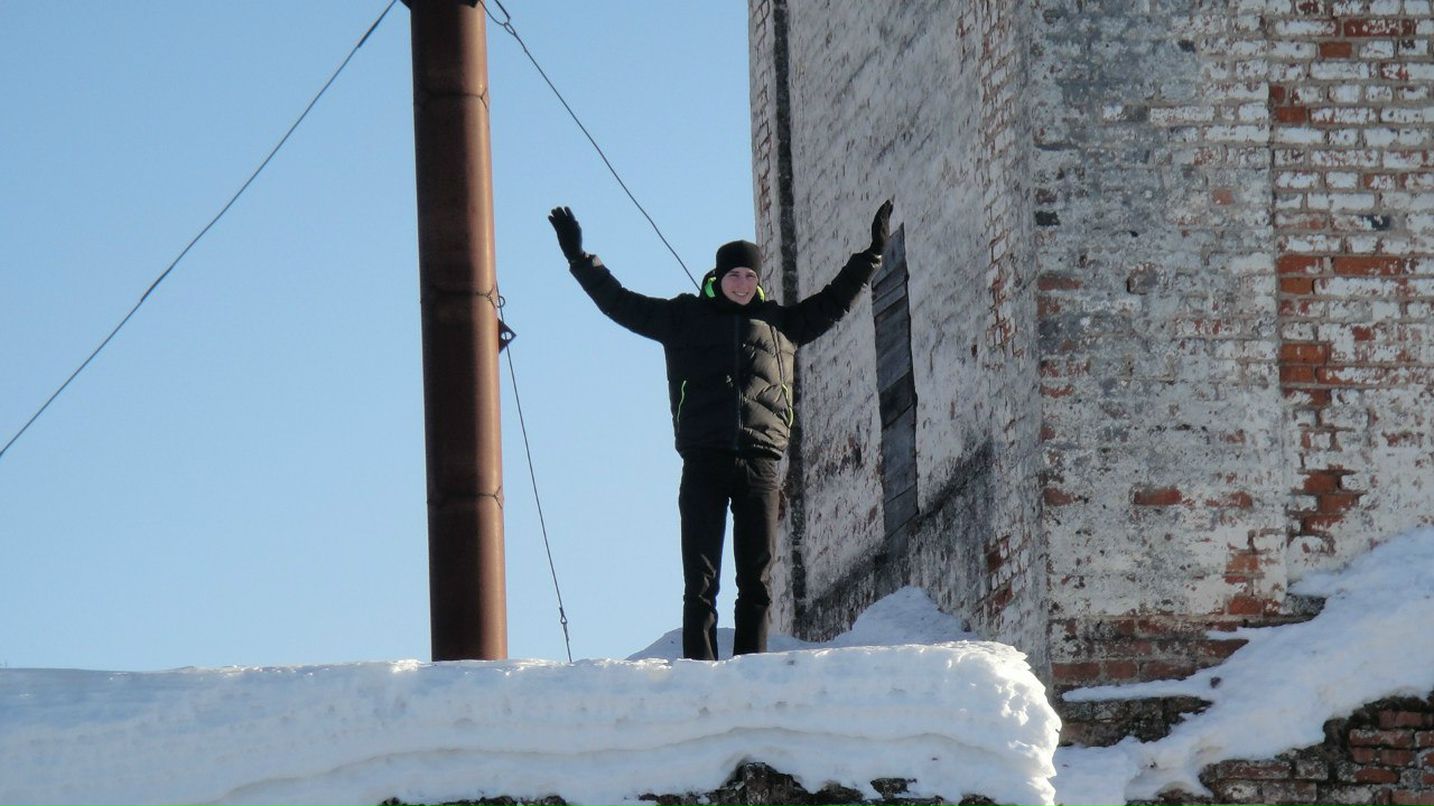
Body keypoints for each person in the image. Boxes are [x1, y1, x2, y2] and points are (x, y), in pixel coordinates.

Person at [549, 200, 893, 661]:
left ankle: (751, 664)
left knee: (757, 578)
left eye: (750, 277)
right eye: (734, 275)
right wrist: (579, 258)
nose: (743, 283)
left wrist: (870, 255)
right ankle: (699, 667)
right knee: (701, 576)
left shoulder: (781, 325)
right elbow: (621, 303)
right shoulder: (684, 318)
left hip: (761, 463)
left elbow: (834, 300)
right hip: (705, 459)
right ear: (717, 278)